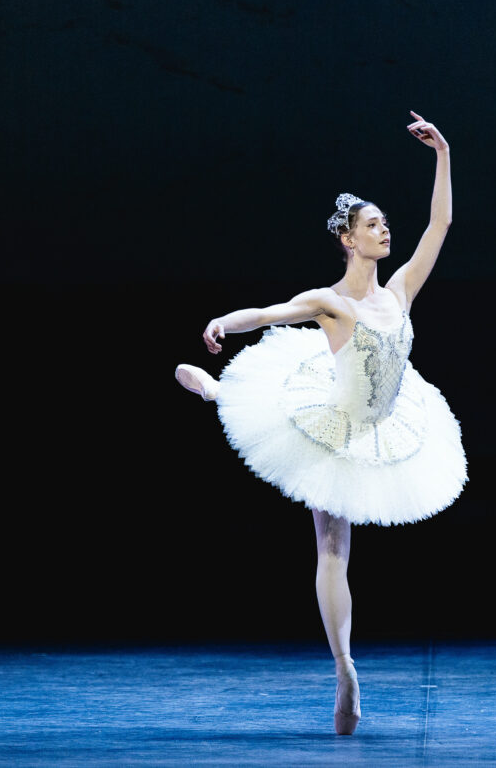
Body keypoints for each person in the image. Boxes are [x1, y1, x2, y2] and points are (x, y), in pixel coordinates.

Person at [175, 110, 467, 735]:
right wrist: (224, 322)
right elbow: (268, 312)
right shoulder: (328, 303)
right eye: (373, 224)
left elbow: (440, 222)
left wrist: (442, 151)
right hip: (334, 427)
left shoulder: (402, 291)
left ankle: (216, 393)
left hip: (388, 423)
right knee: (332, 549)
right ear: (348, 239)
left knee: (339, 548)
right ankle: (344, 670)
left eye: (386, 222)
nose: (385, 229)